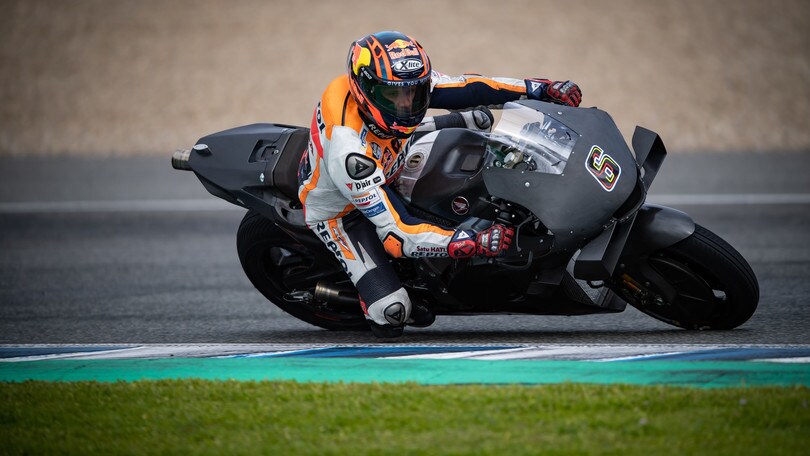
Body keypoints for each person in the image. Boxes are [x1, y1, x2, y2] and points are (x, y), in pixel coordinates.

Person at [297, 31, 582, 338]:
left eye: (415, 93)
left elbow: (469, 87)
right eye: (394, 96)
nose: (407, 104)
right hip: (345, 208)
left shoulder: (394, 92)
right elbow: (398, 234)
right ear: (363, 89)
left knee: (479, 119)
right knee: (392, 314)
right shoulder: (348, 151)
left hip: (392, 153)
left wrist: (540, 89)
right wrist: (473, 243)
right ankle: (371, 300)